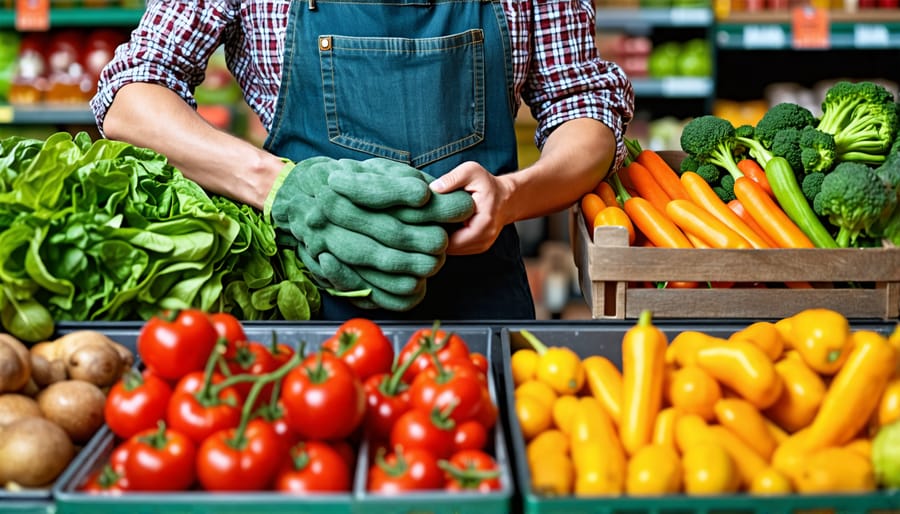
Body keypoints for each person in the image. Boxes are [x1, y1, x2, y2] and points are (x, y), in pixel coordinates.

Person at [91, 0, 635, 321]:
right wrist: (282, 187)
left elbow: (584, 105)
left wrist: (514, 196)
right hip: (299, 302)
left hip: (479, 302)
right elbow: (130, 96)